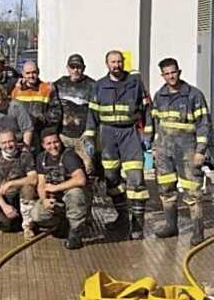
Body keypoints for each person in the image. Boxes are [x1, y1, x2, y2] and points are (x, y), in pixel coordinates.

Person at [84, 50, 152, 239]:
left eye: (119, 61)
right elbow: (92, 115)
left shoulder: (135, 83)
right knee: (111, 178)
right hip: (107, 136)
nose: (116, 65)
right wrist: (89, 138)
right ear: (107, 64)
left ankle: (137, 224)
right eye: (113, 62)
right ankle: (122, 217)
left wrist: (147, 134)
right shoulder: (99, 86)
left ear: (123, 63)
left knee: (136, 179)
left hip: (129, 134)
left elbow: (147, 110)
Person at [150, 58, 211, 246]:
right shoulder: (159, 96)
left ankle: (198, 231)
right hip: (164, 151)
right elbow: (155, 123)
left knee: (192, 192)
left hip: (188, 151)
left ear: (179, 71)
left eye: (173, 72)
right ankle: (171, 225)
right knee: (166, 189)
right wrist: (154, 146)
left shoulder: (194, 95)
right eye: (166, 74)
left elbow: (204, 125)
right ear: (162, 75)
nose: (171, 76)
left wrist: (201, 151)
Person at [31, 128, 87, 249]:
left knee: (75, 193)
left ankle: (76, 232)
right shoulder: (41, 158)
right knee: (36, 215)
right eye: (49, 143)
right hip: (56, 199)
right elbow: (41, 183)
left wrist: (56, 188)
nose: (53, 146)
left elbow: (80, 179)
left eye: (56, 142)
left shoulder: (69, 156)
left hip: (73, 197)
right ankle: (62, 223)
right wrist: (44, 200)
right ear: (43, 145)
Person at [0, 130, 38, 239]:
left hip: (21, 196)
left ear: (16, 141)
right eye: (4, 143)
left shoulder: (25, 155)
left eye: (11, 141)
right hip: (5, 197)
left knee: (28, 189)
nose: (8, 145)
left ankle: (28, 226)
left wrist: (11, 183)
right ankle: (7, 223)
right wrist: (4, 206)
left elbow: (33, 178)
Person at [51, 54, 96, 174]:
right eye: (72, 66)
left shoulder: (93, 85)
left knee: (89, 167)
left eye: (79, 67)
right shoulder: (59, 84)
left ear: (84, 68)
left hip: (84, 136)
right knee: (63, 165)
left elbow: (96, 112)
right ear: (67, 68)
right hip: (63, 135)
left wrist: (90, 132)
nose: (75, 70)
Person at [10, 61, 57, 150]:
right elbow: (12, 114)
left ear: (38, 72)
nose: (31, 76)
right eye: (28, 73)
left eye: (34, 72)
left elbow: (55, 112)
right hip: (23, 135)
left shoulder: (47, 88)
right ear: (23, 74)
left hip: (41, 132)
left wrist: (41, 119)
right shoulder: (16, 91)